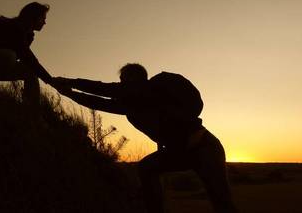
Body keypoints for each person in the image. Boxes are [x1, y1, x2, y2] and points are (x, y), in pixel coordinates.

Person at [53, 63, 237, 213]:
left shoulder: (153, 89)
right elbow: (99, 102)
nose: (121, 85)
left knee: (222, 202)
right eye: (121, 82)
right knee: (147, 168)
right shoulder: (130, 106)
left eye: (124, 81)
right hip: (179, 152)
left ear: (137, 79)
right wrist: (69, 93)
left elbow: (105, 89)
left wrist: (70, 82)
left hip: (204, 147)